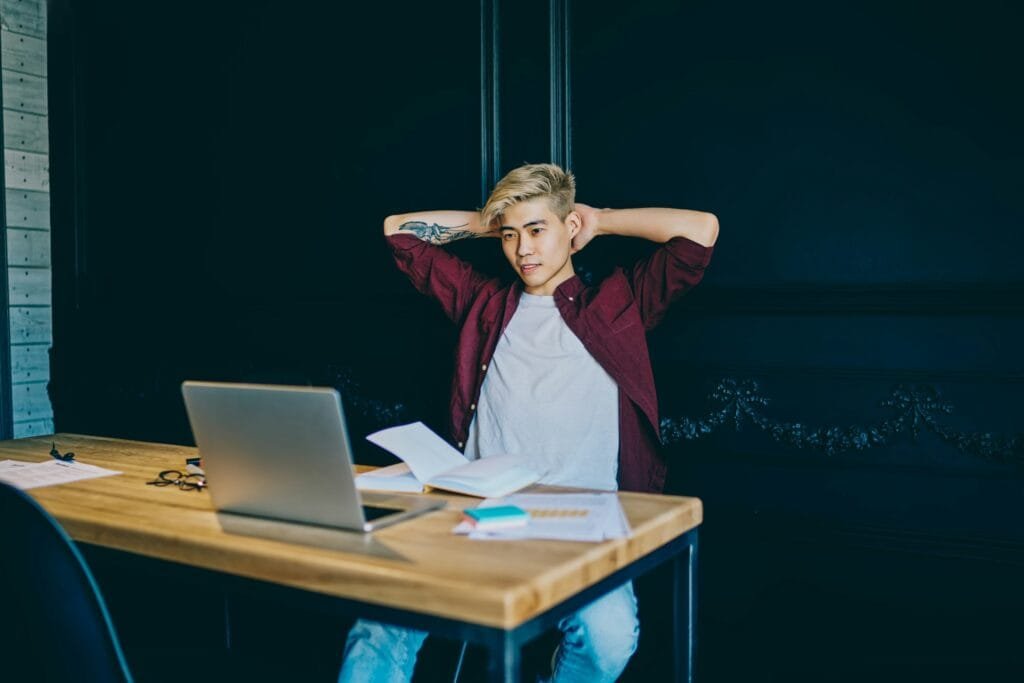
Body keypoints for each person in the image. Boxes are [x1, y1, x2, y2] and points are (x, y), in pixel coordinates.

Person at [339, 163, 717, 682]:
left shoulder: (615, 303)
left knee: (610, 638)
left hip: (582, 520)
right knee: (378, 623)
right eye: (511, 236)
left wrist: (599, 220)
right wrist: (494, 220)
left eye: (537, 230)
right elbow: (399, 231)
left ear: (569, 229)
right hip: (473, 513)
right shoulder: (484, 303)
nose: (523, 250)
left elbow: (701, 232)